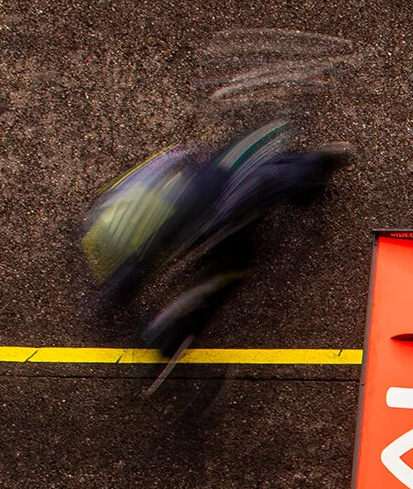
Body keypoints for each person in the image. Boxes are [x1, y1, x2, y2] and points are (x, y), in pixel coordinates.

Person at [79, 119, 352, 367]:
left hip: (185, 199)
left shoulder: (219, 168)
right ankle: (168, 338)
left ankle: (123, 299)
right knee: (224, 274)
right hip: (216, 212)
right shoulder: (250, 171)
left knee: (148, 251)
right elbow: (263, 183)